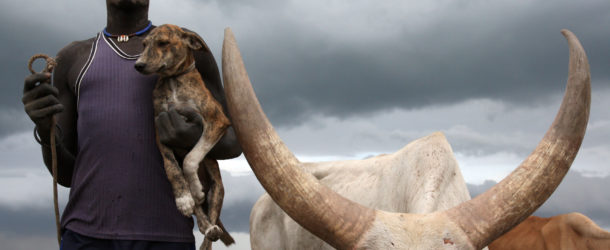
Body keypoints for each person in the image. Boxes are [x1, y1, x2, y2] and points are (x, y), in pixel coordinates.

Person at [21, 0, 242, 249]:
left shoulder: (182, 46)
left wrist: (192, 137)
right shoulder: (73, 58)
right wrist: (43, 128)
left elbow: (233, 141)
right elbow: (65, 174)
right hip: (86, 235)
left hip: (167, 236)